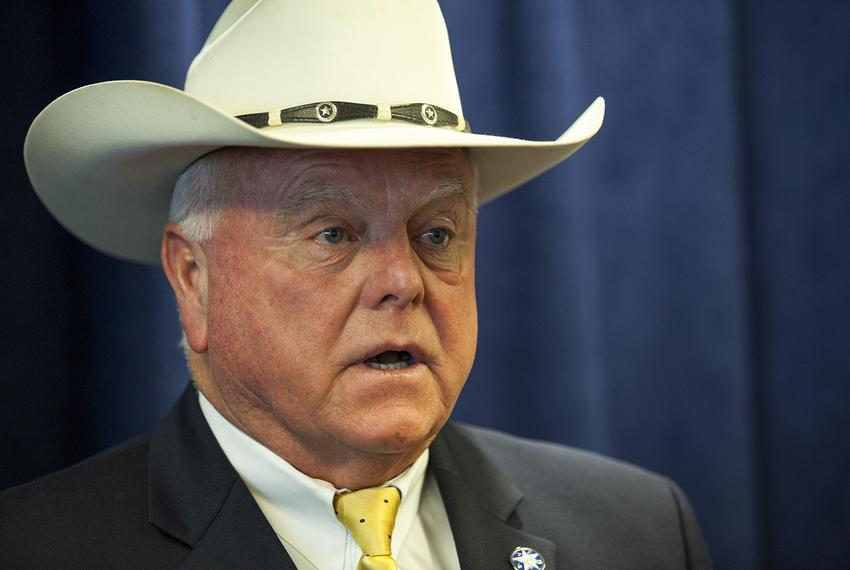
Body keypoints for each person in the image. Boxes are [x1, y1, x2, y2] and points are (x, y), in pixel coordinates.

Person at [1, 1, 712, 568]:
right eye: (333, 234)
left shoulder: (640, 531)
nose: (402, 282)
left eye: (435, 234)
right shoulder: (34, 548)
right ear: (194, 280)